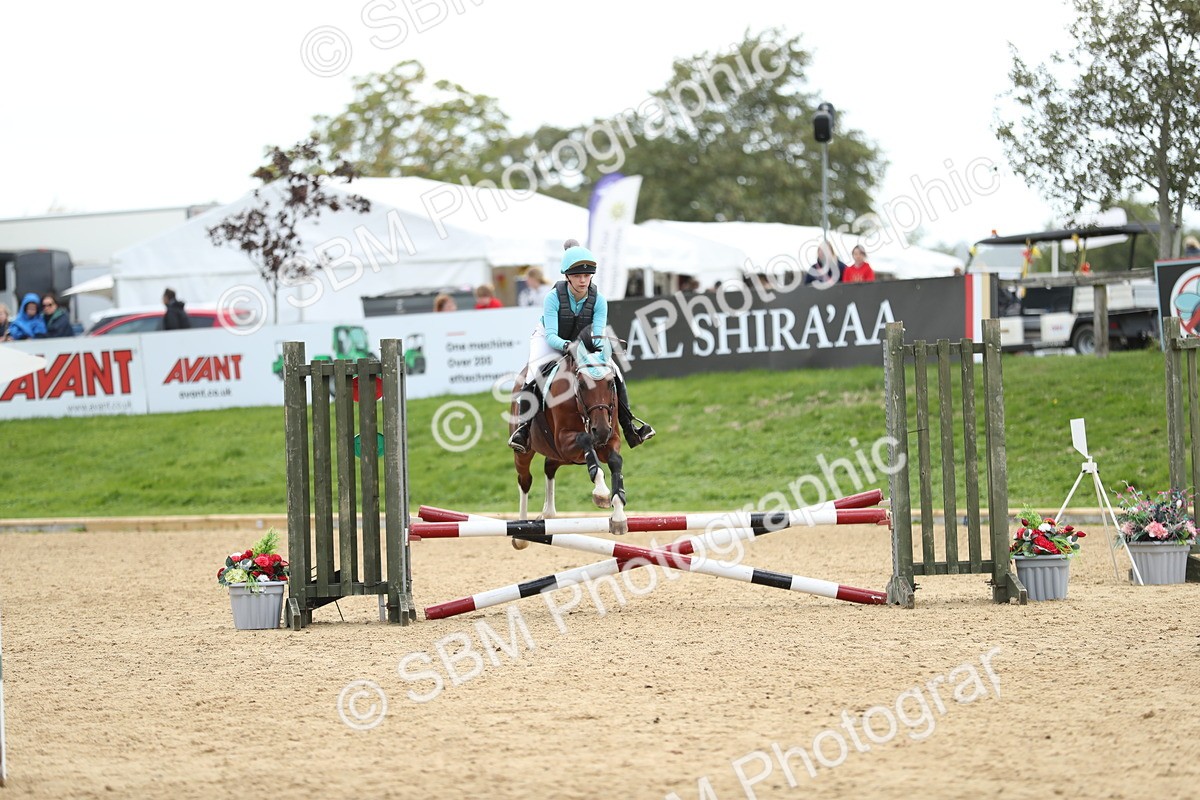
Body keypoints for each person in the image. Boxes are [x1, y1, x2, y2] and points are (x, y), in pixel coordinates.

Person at [508, 239, 656, 453]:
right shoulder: (552, 298)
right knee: (533, 373)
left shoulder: (599, 300)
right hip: (550, 338)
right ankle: (523, 429)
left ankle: (629, 426)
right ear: (567, 276)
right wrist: (568, 345)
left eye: (587, 275)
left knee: (614, 372)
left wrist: (597, 346)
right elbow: (551, 336)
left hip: (581, 341)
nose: (583, 280)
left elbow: (597, 333)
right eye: (577, 276)